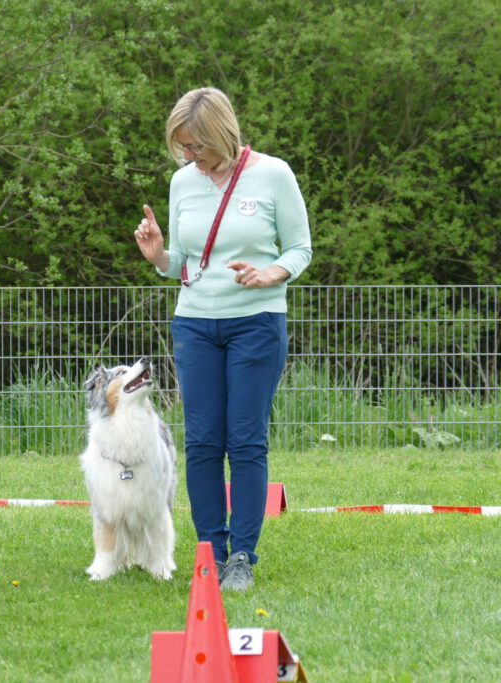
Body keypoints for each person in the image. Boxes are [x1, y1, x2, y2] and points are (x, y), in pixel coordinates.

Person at [133, 87, 312, 591]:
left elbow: (300, 248)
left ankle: (243, 558)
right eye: (183, 147)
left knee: (245, 439)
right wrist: (159, 257)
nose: (190, 156)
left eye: (198, 145)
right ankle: (210, 553)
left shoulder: (273, 174)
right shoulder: (182, 182)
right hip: (195, 324)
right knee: (204, 441)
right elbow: (183, 263)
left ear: (223, 134)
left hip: (256, 322)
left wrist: (271, 273)